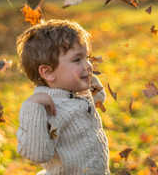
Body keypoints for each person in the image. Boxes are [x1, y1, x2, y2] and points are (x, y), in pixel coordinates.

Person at [16, 19, 110, 175]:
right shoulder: (47, 109)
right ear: (48, 72)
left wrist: (88, 81)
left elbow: (100, 100)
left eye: (87, 57)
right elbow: (38, 154)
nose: (88, 65)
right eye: (77, 60)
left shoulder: (74, 92)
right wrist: (32, 105)